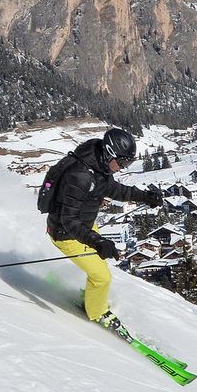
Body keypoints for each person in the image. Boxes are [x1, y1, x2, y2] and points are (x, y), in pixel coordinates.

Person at [45, 128, 164, 325]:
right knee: (102, 277)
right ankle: (97, 313)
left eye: (128, 163)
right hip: (67, 234)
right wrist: (96, 241)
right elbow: (69, 220)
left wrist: (143, 196)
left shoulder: (99, 166)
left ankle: (92, 297)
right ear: (109, 153)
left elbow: (112, 189)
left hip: (84, 226)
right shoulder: (81, 176)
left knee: (99, 269)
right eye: (123, 163)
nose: (123, 168)